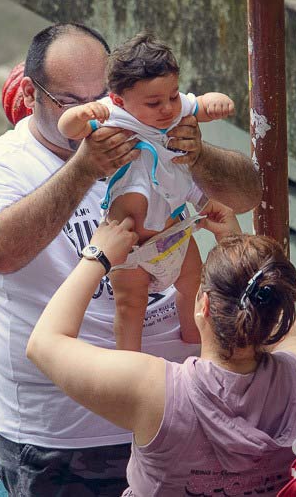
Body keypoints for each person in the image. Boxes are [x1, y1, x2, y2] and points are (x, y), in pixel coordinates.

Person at [0, 22, 261, 495]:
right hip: (70, 437)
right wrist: (85, 168)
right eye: (76, 105)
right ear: (35, 96)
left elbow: (246, 194)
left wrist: (199, 157)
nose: (98, 117)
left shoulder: (149, 126)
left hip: (178, 414)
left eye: (105, 98)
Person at [26, 202, 296, 495]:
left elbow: (43, 343)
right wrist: (236, 243)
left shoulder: (157, 393)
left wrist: (97, 255)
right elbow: (282, 323)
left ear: (204, 305)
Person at [58, 32, 236, 352]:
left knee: (195, 289)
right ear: (118, 99)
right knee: (130, 307)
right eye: (154, 103)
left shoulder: (176, 108)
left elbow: (201, 106)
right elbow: (68, 129)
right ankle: (129, 361)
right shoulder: (112, 115)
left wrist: (217, 102)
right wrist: (79, 116)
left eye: (172, 95)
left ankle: (196, 343)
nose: (167, 108)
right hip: (131, 248)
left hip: (175, 237)